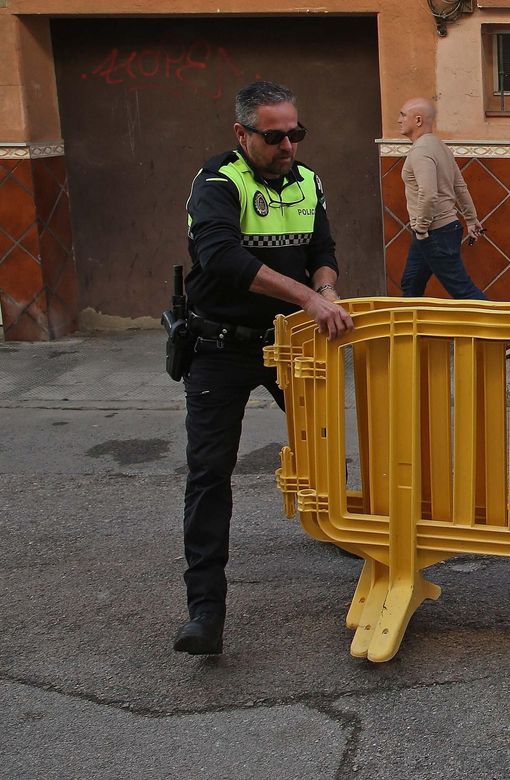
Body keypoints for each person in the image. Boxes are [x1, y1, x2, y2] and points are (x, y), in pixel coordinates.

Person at [174, 80, 355, 656]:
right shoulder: (217, 182)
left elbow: (322, 249)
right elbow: (220, 257)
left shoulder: (307, 181)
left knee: (322, 441)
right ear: (242, 133)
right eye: (274, 136)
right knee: (209, 473)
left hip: (290, 341)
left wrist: (325, 289)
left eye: (295, 134)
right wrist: (307, 298)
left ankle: (340, 527)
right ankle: (205, 610)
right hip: (221, 346)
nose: (287, 146)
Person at [395, 97, 488, 300]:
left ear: (418, 120)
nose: (399, 120)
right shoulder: (439, 146)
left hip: (433, 232)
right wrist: (471, 219)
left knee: (463, 290)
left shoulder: (420, 151)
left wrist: (421, 229)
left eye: (403, 115)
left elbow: (428, 194)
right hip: (438, 230)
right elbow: (460, 187)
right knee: (411, 284)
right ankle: (411, 321)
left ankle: (499, 321)